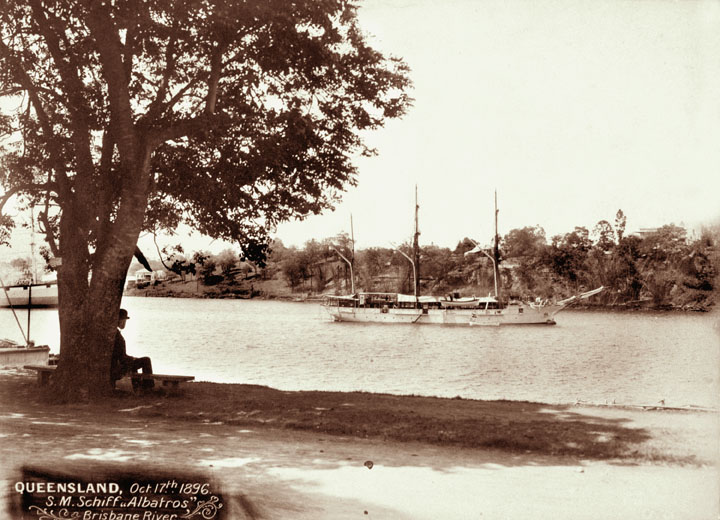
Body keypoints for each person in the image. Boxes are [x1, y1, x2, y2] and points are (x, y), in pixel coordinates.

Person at [111, 308, 154, 390]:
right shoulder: (117, 337)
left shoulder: (113, 334)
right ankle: (148, 387)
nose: (124, 323)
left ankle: (137, 387)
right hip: (116, 367)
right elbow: (122, 358)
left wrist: (132, 359)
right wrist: (132, 359)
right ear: (119, 320)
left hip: (114, 365)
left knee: (133, 363)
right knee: (146, 360)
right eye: (124, 320)